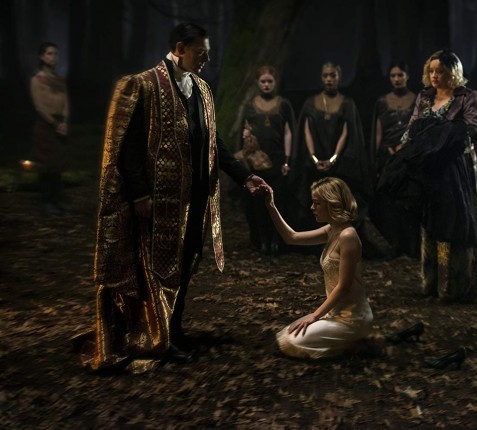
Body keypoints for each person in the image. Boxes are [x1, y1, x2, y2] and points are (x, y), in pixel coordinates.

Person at [81, 23, 266, 372]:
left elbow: (214, 143)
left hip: (195, 200)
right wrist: (139, 194)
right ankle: (153, 337)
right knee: (154, 269)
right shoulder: (143, 85)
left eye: (208, 53)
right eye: (200, 52)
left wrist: (245, 177)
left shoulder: (202, 89)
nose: (206, 59)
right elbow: (128, 147)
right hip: (157, 201)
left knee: (183, 266)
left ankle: (171, 332)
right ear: (180, 48)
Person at [382, 50, 477, 303]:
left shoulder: (468, 97)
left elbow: (475, 128)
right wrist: (405, 148)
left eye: (440, 71)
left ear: (452, 72)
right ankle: (431, 282)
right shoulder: (425, 97)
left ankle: (456, 285)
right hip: (429, 167)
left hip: (456, 166)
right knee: (432, 220)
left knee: (455, 219)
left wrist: (443, 136)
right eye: (431, 71)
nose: (434, 75)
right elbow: (412, 127)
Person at [261, 177, 373, 359]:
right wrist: (270, 205)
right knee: (287, 333)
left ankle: (353, 344)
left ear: (332, 203)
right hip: (334, 313)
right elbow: (291, 238)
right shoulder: (332, 230)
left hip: (352, 318)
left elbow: (344, 286)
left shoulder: (348, 236)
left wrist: (314, 315)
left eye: (317, 203)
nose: (312, 207)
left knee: (289, 342)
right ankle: (349, 344)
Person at [291, 62, 379, 257]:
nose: (329, 79)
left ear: (339, 77)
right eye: (326, 76)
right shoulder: (311, 103)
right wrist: (314, 158)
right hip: (315, 163)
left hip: (340, 165)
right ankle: (315, 245)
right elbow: (306, 130)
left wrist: (333, 159)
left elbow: (347, 132)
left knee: (337, 203)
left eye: (333, 75)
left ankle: (339, 244)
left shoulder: (347, 103)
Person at [238, 65, 296, 255]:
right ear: (257, 83)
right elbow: (245, 131)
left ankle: (277, 241)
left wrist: (287, 160)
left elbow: (288, 132)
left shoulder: (284, 104)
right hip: (257, 161)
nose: (266, 85)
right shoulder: (250, 105)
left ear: (275, 82)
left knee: (277, 202)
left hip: (277, 160)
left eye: (270, 81)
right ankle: (262, 240)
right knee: (258, 203)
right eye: (263, 81)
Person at [369, 61, 419, 258]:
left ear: (407, 76)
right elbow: (378, 131)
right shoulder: (382, 102)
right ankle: (395, 244)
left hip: (408, 156)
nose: (397, 79)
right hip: (387, 156)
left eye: (400, 75)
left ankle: (412, 246)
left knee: (408, 202)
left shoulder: (417, 100)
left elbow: (417, 127)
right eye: (393, 76)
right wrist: (376, 156)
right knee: (388, 203)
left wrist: (405, 147)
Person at [29, 42, 69, 215]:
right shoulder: (37, 79)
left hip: (59, 123)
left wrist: (64, 121)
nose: (53, 57)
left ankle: (56, 200)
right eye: (49, 54)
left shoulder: (60, 80)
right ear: (42, 56)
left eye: (55, 54)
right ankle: (47, 201)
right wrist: (55, 124)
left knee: (57, 164)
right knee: (46, 164)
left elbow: (65, 102)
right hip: (46, 124)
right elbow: (39, 106)